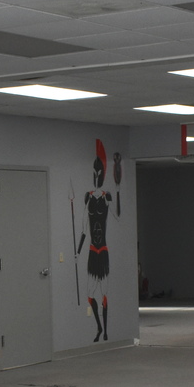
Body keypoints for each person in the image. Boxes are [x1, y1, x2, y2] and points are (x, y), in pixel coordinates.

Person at [77, 139, 113, 341]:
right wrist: (77, 252)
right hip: (92, 251)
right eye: (94, 172)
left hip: (104, 252)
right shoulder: (87, 197)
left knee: (104, 294)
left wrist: (115, 195)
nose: (97, 175)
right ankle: (99, 328)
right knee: (90, 295)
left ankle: (106, 331)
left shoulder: (107, 196)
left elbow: (116, 215)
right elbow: (83, 228)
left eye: (99, 172)